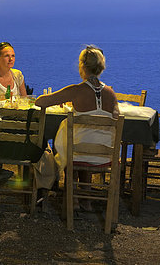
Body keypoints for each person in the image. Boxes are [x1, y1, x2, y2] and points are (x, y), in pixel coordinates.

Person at [35, 45, 119, 210]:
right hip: (104, 157)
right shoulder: (111, 93)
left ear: (82, 67)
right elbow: (116, 116)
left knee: (71, 147)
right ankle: (86, 200)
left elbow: (40, 102)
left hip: (79, 155)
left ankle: (73, 200)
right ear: (101, 67)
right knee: (86, 142)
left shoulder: (76, 91)